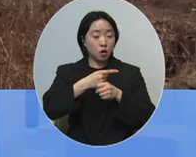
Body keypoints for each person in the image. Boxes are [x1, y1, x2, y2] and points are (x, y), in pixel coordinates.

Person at [42, 11, 155, 145]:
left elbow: (148, 117)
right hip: (78, 149)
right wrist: (84, 84)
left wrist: (118, 95)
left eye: (109, 36)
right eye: (96, 36)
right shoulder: (68, 71)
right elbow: (50, 109)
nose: (103, 42)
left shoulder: (131, 73)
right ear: (83, 40)